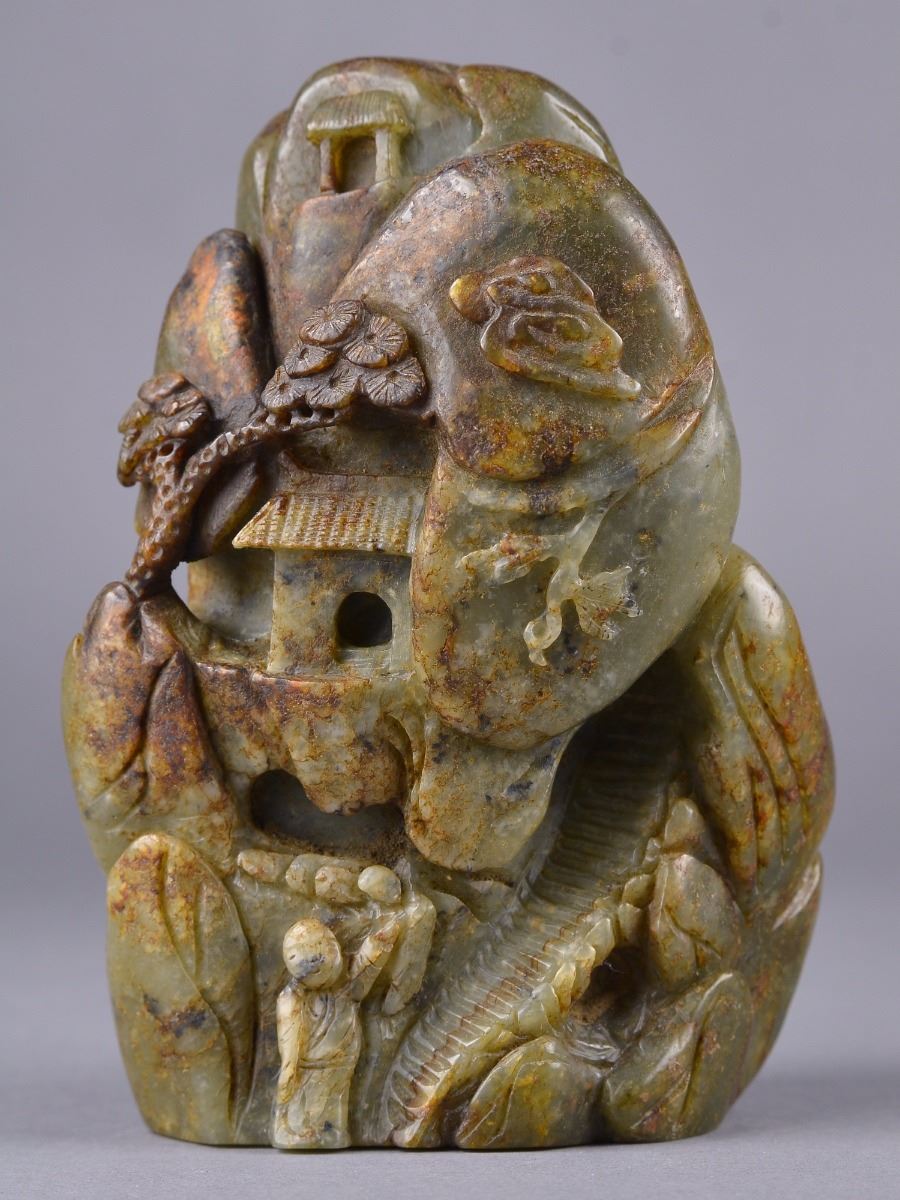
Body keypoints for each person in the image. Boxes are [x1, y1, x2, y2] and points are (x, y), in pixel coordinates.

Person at [272, 917, 361, 1150]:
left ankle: (330, 1132)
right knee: (307, 1116)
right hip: (312, 1069)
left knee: (334, 1116)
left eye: (331, 946)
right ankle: (289, 1129)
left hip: (338, 1066)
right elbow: (289, 1058)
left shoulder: (339, 990)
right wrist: (288, 1076)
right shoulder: (291, 1000)